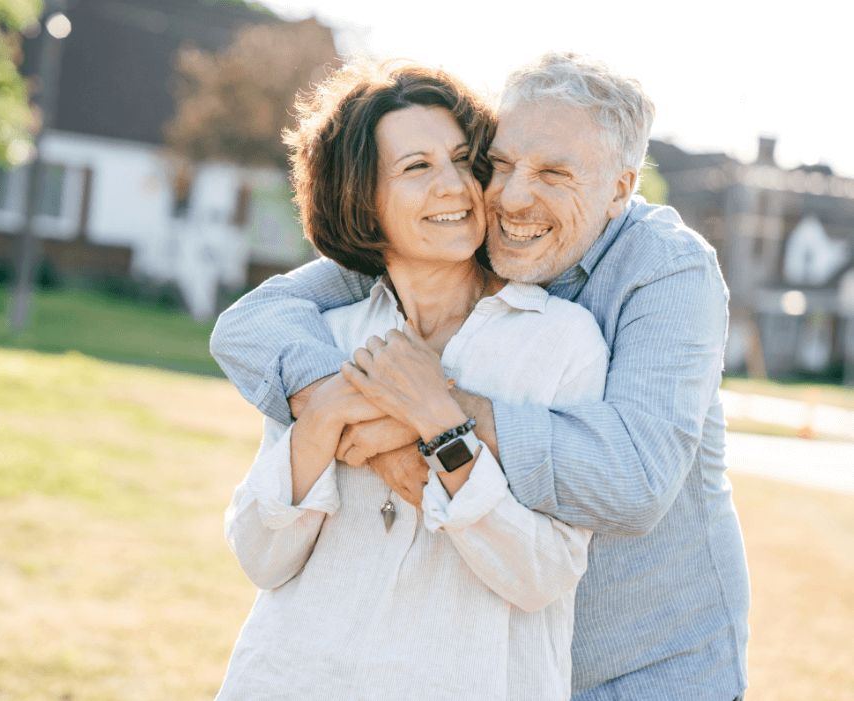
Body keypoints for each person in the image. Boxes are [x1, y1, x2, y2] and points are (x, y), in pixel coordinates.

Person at [211, 51, 750, 701]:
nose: (512, 196)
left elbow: (632, 480)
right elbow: (255, 321)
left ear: (619, 189)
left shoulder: (665, 272)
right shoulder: (456, 232)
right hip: (505, 657)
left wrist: (436, 415)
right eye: (498, 163)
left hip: (650, 660)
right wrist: (340, 406)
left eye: (555, 172)